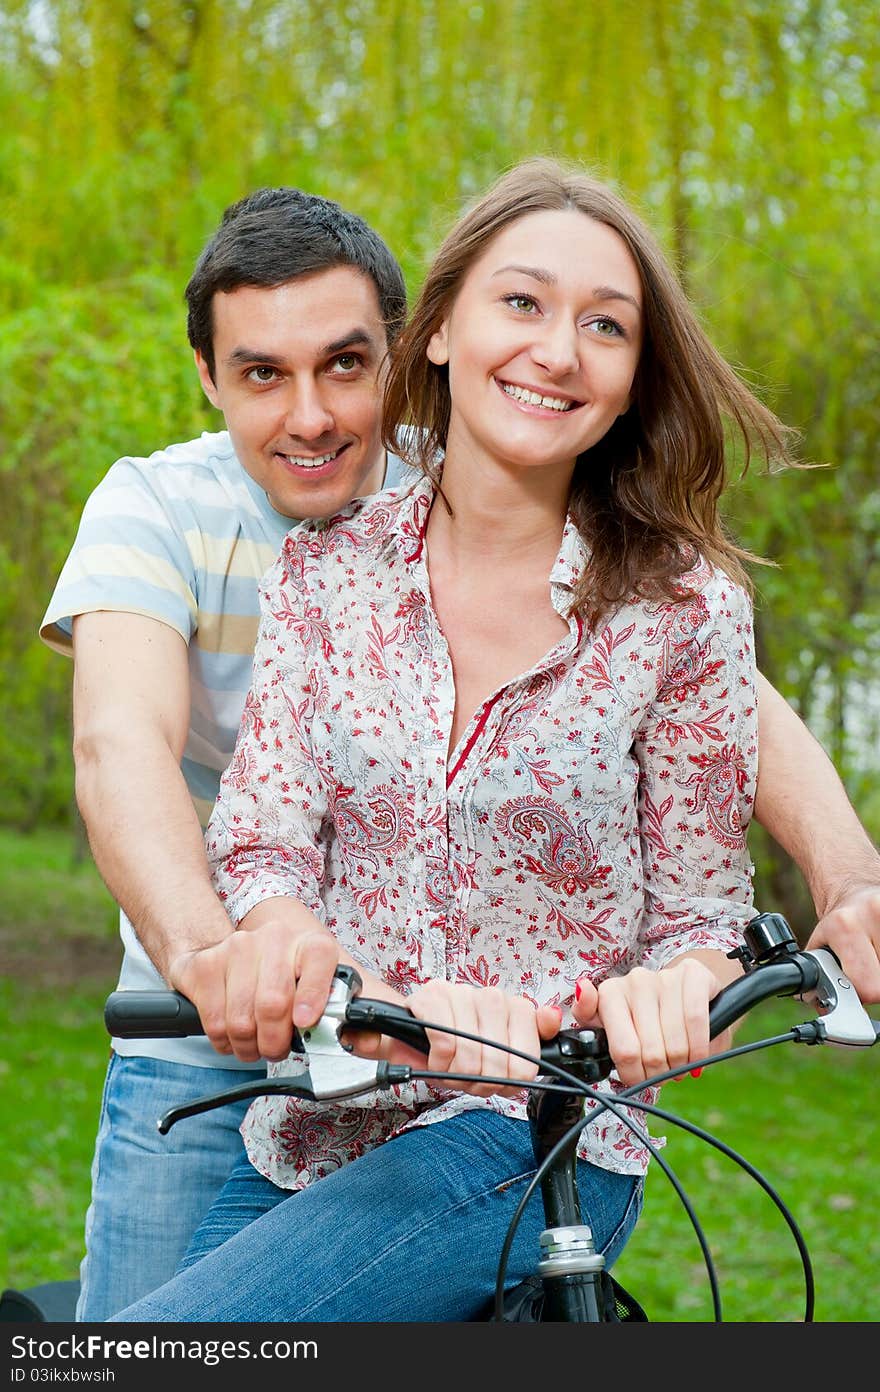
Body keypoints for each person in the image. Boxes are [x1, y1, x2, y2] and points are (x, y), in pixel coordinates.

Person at [43, 180, 880, 1323]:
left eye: (605, 324)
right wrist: (234, 949)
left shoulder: (662, 588)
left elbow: (723, 764)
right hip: (283, 1079)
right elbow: (132, 755)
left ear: (398, 352)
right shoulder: (270, 544)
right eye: (260, 374)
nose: (310, 416)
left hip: (521, 1117)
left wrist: (805, 910)